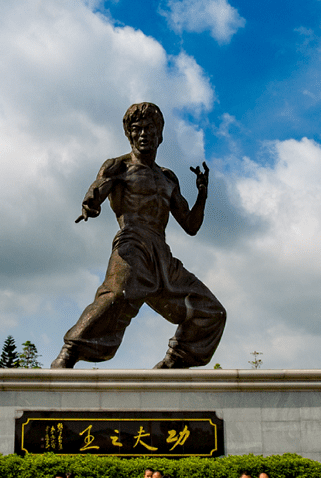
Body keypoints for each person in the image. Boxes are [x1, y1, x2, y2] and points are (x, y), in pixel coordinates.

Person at [50, 102, 226, 370]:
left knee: (211, 311)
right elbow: (97, 191)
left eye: (150, 129)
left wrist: (202, 194)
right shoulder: (118, 167)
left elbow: (190, 225)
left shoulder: (168, 178)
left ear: (160, 135)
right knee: (116, 295)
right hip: (132, 244)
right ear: (130, 135)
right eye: (137, 129)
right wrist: (90, 203)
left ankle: (174, 362)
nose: (144, 134)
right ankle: (70, 352)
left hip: (162, 256)